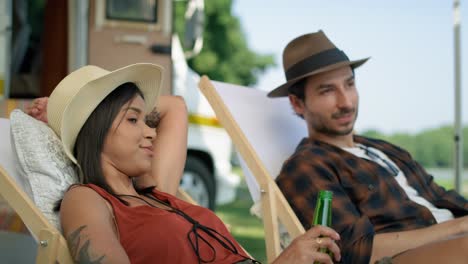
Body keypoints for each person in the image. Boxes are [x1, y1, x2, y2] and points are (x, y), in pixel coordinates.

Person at [34, 63, 341, 263]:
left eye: (149, 121)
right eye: (133, 119)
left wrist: (78, 111)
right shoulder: (88, 199)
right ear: (95, 131)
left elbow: (175, 107)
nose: (151, 132)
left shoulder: (157, 192)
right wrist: (71, 116)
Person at [268, 30, 468, 263]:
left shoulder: (384, 149)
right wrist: (459, 228)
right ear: (297, 103)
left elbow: (441, 197)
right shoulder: (307, 166)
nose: (346, 102)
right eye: (327, 90)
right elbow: (353, 250)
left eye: (349, 84)